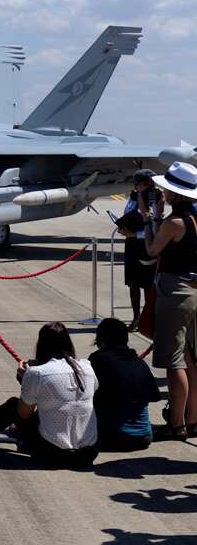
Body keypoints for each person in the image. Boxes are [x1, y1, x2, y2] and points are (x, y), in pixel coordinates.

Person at [0, 322, 99, 468]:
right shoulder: (87, 367)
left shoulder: (37, 373)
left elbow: (24, 414)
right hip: (88, 453)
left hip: (53, 452)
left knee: (13, 405)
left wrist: (25, 380)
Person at [138, 161, 197, 439]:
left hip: (175, 291)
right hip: (193, 289)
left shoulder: (174, 223)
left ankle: (177, 423)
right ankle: (192, 418)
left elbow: (151, 250)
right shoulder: (194, 220)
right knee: (191, 358)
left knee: (176, 362)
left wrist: (150, 219)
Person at [89, 318, 161, 451]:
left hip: (109, 437)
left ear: (102, 340)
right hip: (143, 438)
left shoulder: (98, 360)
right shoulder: (139, 363)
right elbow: (154, 396)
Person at [118, 169, 163, 331]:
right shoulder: (133, 197)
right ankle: (136, 317)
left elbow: (154, 227)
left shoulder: (155, 199)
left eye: (138, 183)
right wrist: (123, 228)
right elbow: (128, 213)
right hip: (131, 244)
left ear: (147, 183)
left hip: (146, 244)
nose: (136, 186)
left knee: (147, 284)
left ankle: (147, 317)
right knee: (133, 283)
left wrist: (135, 234)